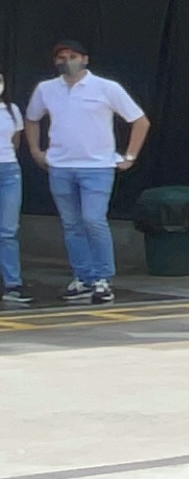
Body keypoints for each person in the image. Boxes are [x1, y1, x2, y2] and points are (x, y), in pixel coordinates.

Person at [25, 37, 148, 305]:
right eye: (61, 57)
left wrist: (129, 156)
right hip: (60, 165)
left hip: (97, 166)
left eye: (72, 56)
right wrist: (36, 150)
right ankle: (84, 277)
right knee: (71, 224)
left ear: (85, 59)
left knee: (93, 219)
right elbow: (32, 118)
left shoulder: (105, 88)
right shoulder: (46, 89)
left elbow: (139, 120)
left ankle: (103, 278)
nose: (67, 61)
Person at [0, 69, 27, 307]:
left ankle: (13, 284)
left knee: (7, 231)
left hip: (9, 171)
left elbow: (15, 141)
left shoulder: (12, 110)